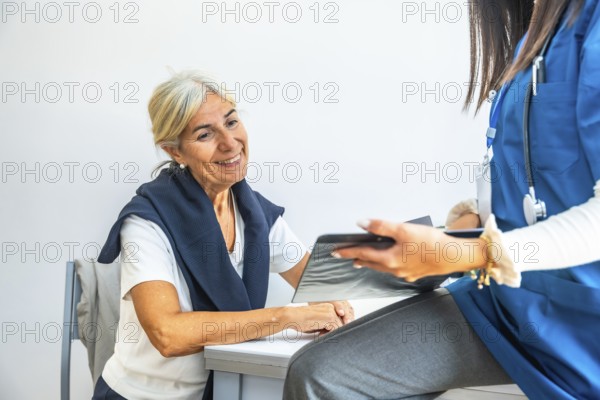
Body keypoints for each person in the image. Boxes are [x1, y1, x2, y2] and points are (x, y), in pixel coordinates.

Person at [283, 0, 600, 399]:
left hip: (581, 320)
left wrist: (471, 254)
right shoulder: (533, 33)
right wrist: (468, 226)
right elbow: (541, 175)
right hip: (505, 303)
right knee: (320, 374)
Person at [92, 71, 354, 400]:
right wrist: (286, 317)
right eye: (205, 135)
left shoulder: (254, 213)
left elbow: (323, 285)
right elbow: (168, 334)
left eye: (231, 122)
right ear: (175, 152)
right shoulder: (147, 222)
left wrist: (367, 276)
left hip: (232, 389)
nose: (230, 144)